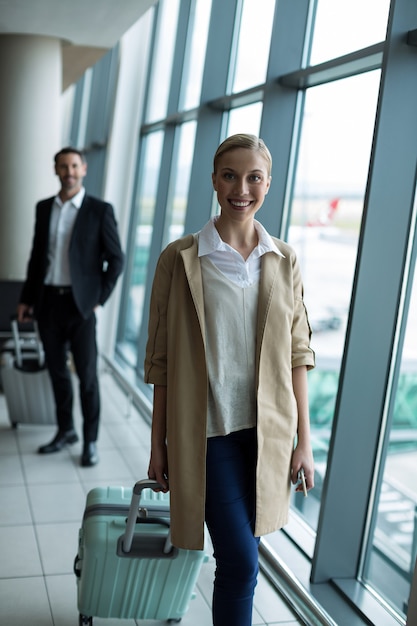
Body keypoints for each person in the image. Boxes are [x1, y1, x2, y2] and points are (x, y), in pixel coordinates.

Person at [145, 133, 315, 625]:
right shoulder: (180, 260)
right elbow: (161, 364)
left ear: (268, 184)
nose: (242, 188)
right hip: (210, 435)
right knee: (240, 560)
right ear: (214, 182)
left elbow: (298, 355)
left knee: (244, 559)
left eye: (254, 177)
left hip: (269, 436)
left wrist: (304, 441)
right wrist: (159, 446)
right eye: (230, 176)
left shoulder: (284, 259)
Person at [17, 147, 124, 467]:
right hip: (48, 302)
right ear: (56, 170)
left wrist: (97, 301)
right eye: (63, 166)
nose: (69, 171)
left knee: (87, 377)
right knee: (57, 372)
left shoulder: (99, 210)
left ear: (84, 169)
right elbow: (37, 257)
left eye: (74, 166)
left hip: (82, 307)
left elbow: (116, 259)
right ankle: (66, 431)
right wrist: (26, 298)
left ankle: (90, 440)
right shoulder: (44, 208)